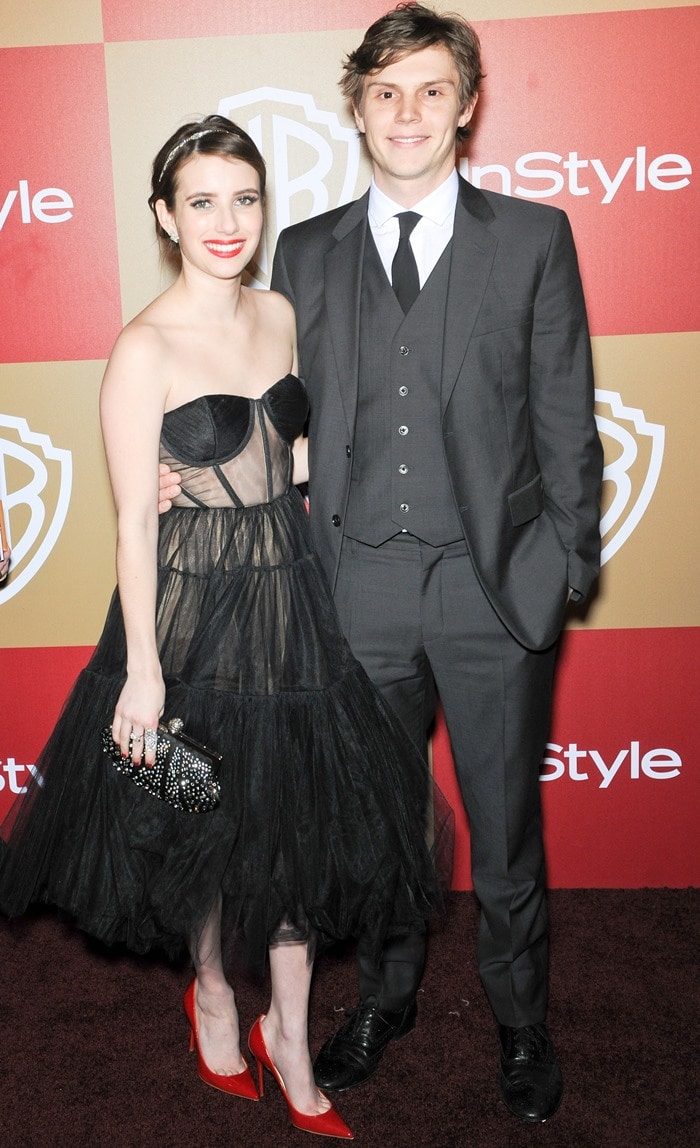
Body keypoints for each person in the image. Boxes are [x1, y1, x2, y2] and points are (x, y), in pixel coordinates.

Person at [162, 3, 603, 1124]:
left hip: (489, 588)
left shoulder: (532, 237)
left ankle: (518, 1020)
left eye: (431, 91)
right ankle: (387, 998)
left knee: (502, 828)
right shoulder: (303, 250)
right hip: (346, 584)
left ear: (465, 107)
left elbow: (565, 418)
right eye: (386, 91)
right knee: (376, 825)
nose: (408, 113)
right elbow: (232, 370)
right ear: (356, 107)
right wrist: (181, 467)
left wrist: (562, 564)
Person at [0, 114, 453, 1142]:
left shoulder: (282, 312)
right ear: (163, 215)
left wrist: (234, 472)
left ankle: (289, 1037)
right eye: (200, 200)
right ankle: (212, 995)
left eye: (243, 197)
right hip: (187, 609)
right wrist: (144, 674)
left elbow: (285, 459)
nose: (226, 220)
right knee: (205, 824)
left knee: (292, 829)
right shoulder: (142, 347)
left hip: (288, 597)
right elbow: (126, 521)